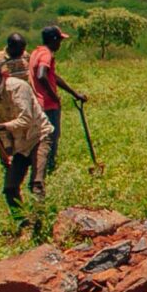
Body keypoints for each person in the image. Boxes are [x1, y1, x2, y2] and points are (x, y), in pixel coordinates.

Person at [0, 55, 50, 210]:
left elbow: (26, 120)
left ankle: (39, 224)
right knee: (10, 188)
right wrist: (7, 150)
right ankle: (22, 221)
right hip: (19, 144)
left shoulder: (18, 87)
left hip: (38, 136)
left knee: (36, 184)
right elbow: (1, 130)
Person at [26, 25, 87, 180]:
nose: (60, 44)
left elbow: (53, 76)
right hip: (47, 105)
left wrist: (74, 93)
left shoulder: (36, 52)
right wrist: (53, 96)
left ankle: (41, 171)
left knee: (41, 139)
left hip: (37, 105)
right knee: (50, 139)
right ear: (53, 40)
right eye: (59, 40)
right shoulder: (46, 54)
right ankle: (47, 172)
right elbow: (41, 75)